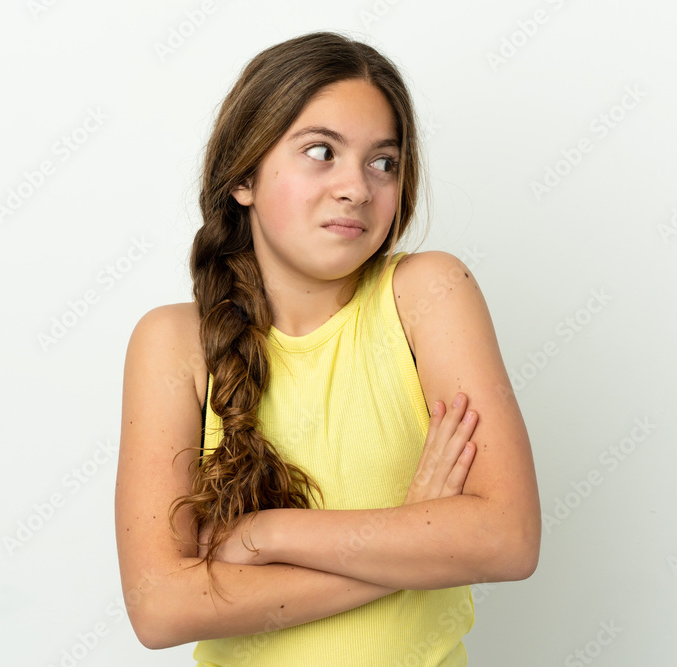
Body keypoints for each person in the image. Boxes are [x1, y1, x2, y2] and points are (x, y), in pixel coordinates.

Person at [114, 31, 541, 666]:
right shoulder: (173, 343)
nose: (357, 188)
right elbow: (160, 608)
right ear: (244, 177)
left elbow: (507, 539)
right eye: (321, 151)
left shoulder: (427, 293)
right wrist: (412, 542)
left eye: (383, 162)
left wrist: (264, 536)